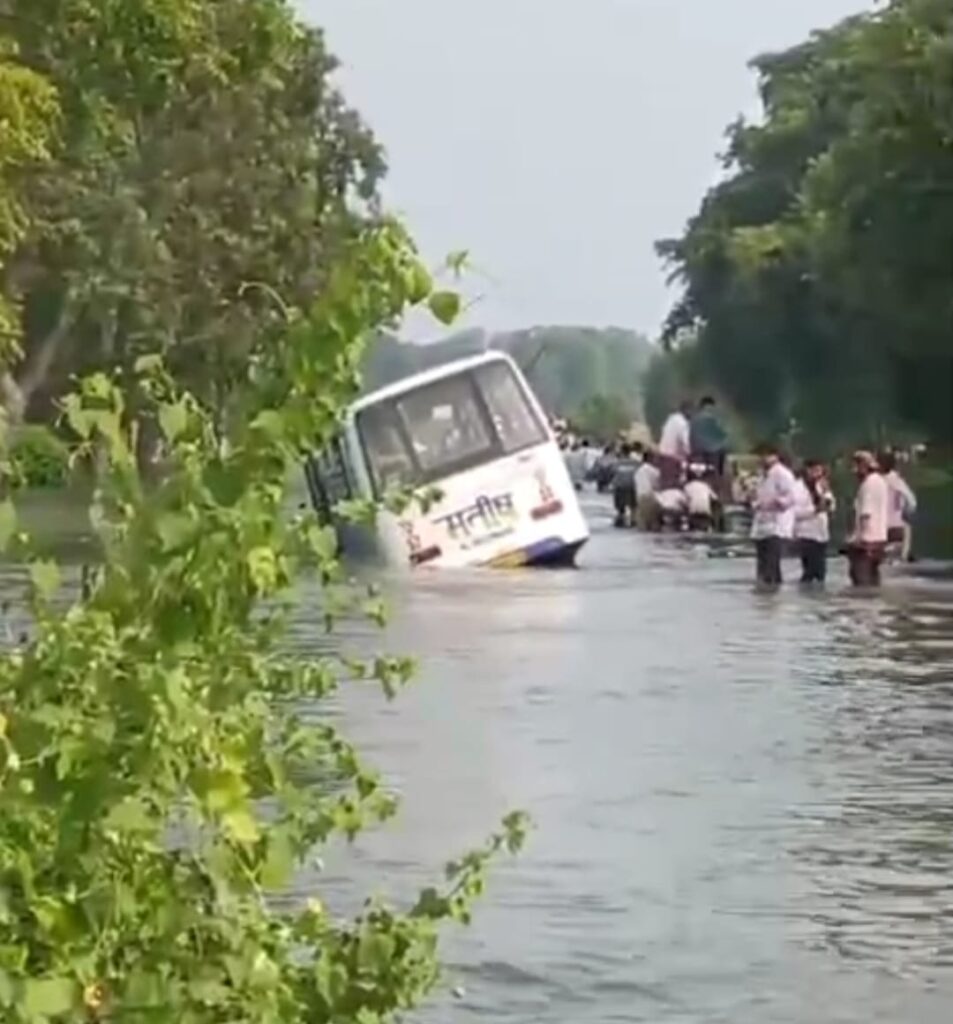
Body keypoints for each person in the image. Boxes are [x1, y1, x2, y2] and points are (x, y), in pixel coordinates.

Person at [750, 442, 798, 588]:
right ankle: (765, 599)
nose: (761, 459)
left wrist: (773, 502)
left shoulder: (783, 474)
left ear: (774, 456)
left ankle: (772, 596)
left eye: (764, 456)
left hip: (777, 526)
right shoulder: (762, 475)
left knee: (771, 567)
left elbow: (791, 498)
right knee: (762, 567)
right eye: (760, 456)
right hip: (762, 526)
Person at [846, 450, 889, 587]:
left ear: (863, 466)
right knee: (873, 577)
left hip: (866, 541)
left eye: (855, 467)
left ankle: (863, 607)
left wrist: (857, 539)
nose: (854, 472)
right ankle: (875, 605)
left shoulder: (867, 485)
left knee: (860, 579)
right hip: (880, 538)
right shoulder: (881, 481)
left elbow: (866, 513)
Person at [793, 460, 836, 584]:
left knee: (821, 572)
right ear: (807, 470)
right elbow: (795, 512)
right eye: (814, 471)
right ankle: (806, 596)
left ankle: (818, 598)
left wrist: (827, 496)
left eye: (820, 471)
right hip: (806, 533)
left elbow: (831, 506)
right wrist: (814, 510)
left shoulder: (822, 486)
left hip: (821, 533)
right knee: (810, 570)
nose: (817, 474)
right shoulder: (797, 487)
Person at [879, 450, 918, 561]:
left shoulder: (875, 480)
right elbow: (911, 501)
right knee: (906, 527)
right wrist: (906, 512)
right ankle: (903, 557)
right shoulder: (896, 480)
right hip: (895, 524)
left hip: (879, 526)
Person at [690, 396, 729, 479]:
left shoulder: (694, 419)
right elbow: (722, 436)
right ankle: (719, 477)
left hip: (696, 454)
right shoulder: (711, 419)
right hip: (710, 455)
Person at [658, 400, 692, 489]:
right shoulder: (682, 423)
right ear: (687, 410)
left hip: (663, 458)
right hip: (674, 461)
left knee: (666, 486)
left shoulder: (670, 419)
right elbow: (687, 444)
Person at [611, 443, 641, 528]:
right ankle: (633, 520)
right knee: (633, 506)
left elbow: (612, 473)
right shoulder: (636, 463)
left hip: (620, 487)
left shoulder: (617, 463)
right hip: (632, 486)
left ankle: (621, 515)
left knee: (620, 508)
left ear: (621, 452)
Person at [684, 465, 719, 532]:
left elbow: (684, 502)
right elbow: (715, 499)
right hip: (706, 514)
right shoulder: (705, 486)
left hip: (693, 514)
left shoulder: (687, 487)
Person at [634, 450, 662, 531]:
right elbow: (659, 485)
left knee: (642, 526)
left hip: (640, 499)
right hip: (650, 498)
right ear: (650, 459)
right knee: (654, 525)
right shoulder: (653, 471)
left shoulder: (638, 471)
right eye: (655, 458)